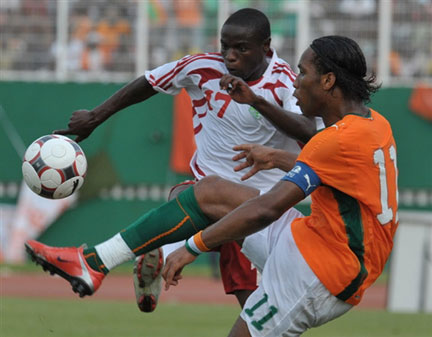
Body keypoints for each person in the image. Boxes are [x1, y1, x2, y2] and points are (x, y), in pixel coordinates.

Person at [25, 35, 398, 336]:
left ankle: (117, 257)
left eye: (303, 73)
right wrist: (279, 157)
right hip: (313, 241)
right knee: (210, 190)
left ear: (328, 81)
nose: (296, 82)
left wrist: (192, 246)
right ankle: (94, 262)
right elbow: (341, 177)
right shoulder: (373, 124)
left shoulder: (335, 140)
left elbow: (269, 208)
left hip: (320, 274)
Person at [51, 8, 320, 312]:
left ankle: (161, 251)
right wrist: (95, 117)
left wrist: (256, 101)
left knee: (256, 305)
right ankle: (149, 252)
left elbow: (309, 131)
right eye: (225, 46)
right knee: (186, 196)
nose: (230, 56)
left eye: (241, 49)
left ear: (266, 47)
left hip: (258, 207)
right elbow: (148, 82)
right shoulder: (202, 67)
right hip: (207, 188)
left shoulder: (284, 81)